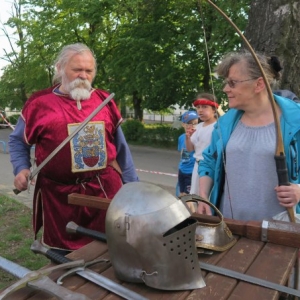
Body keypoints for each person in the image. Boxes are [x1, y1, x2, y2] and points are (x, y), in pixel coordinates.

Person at [9, 43, 139, 252]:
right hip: (59, 198)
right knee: (63, 258)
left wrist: (133, 187)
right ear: (60, 68)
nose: (83, 76)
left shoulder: (104, 101)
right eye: (77, 69)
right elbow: (17, 141)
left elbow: (121, 149)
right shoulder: (39, 103)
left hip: (104, 191)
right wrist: (21, 168)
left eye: (89, 71)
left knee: (108, 252)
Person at [197, 50, 300, 221]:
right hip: (229, 226)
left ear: (259, 84)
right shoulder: (225, 123)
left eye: (232, 83)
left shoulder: (296, 121)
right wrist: (203, 197)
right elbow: (209, 161)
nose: (225, 89)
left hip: (280, 232)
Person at [185, 93, 220, 195]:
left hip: (210, 168)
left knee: (207, 199)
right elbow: (190, 149)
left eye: (204, 107)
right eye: (198, 107)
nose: (200, 110)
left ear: (214, 109)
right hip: (197, 166)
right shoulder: (198, 127)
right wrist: (187, 137)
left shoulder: (218, 127)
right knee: (196, 197)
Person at [177, 110, 199, 197]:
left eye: (195, 123)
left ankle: (193, 211)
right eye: (189, 123)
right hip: (182, 169)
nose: (192, 126)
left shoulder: (197, 136)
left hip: (191, 172)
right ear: (183, 124)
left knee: (188, 198)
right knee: (181, 194)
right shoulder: (181, 138)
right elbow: (182, 153)